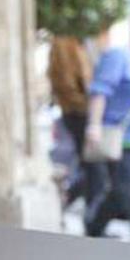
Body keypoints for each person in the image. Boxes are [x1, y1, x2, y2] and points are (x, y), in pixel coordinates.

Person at [86, 13, 130, 243]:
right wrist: (94, 125)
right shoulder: (119, 56)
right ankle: (94, 222)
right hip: (123, 139)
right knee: (125, 193)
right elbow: (100, 91)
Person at [48, 35, 95, 209]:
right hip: (79, 113)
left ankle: (78, 206)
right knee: (93, 169)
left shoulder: (74, 46)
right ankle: (72, 203)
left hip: (74, 112)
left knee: (91, 168)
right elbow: (74, 81)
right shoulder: (67, 45)